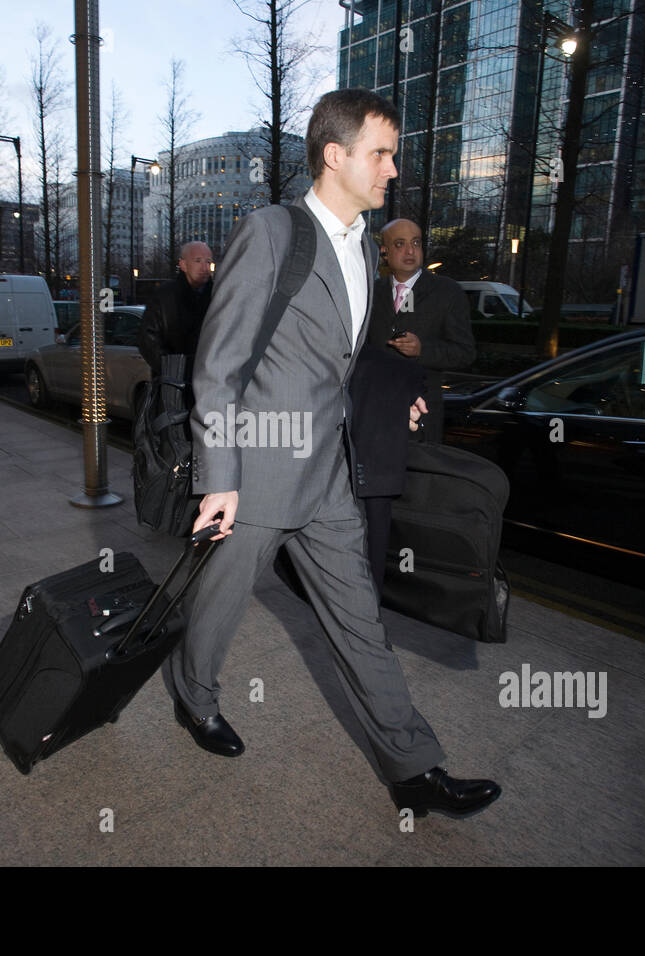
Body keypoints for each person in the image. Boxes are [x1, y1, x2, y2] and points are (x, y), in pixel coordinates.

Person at [168, 88, 501, 819]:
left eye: (392, 155)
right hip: (255, 472)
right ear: (335, 154)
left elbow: (341, 364)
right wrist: (219, 479)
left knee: (360, 620)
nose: (391, 169)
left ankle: (414, 765)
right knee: (217, 608)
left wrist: (396, 397)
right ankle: (193, 698)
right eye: (380, 153)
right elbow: (217, 367)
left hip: (327, 479)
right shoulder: (274, 233)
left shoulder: (363, 254)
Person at [367, 219, 475, 444]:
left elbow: (465, 352)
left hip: (423, 417)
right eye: (400, 244)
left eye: (416, 242)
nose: (410, 250)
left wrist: (422, 350)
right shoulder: (371, 292)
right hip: (375, 412)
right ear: (384, 251)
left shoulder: (447, 292)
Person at [136, 241, 213, 380]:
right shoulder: (163, 296)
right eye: (198, 261)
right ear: (183, 265)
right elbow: (147, 340)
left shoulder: (218, 296)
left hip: (210, 381)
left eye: (208, 262)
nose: (204, 267)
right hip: (173, 385)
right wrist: (175, 369)